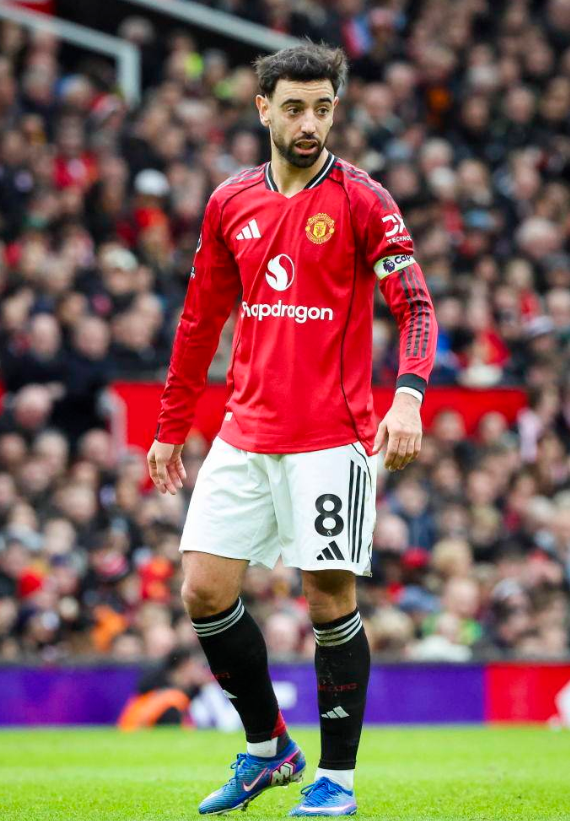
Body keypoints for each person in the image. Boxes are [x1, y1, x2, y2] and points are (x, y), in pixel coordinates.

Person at [147, 44, 437, 817]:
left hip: (331, 437)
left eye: (323, 108)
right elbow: (199, 320)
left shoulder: (365, 200)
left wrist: (408, 397)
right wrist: (171, 425)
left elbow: (415, 304)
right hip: (244, 431)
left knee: (327, 600)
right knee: (203, 589)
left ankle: (337, 779)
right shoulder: (230, 201)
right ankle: (269, 746)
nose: (310, 123)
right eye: (296, 108)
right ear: (263, 109)